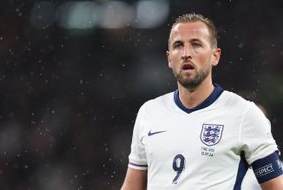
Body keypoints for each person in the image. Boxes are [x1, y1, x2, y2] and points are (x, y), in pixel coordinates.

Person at [121, 13, 283, 190]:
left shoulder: (244, 114)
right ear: (169, 58)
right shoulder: (149, 112)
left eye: (196, 44)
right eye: (178, 46)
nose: (186, 53)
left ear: (215, 56)